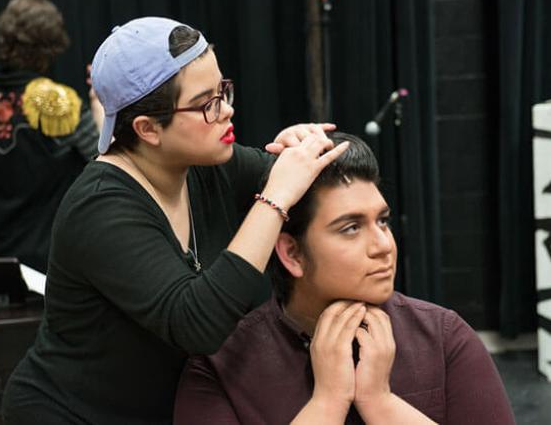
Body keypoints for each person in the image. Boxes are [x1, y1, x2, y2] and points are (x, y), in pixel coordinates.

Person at [1, 16, 348, 424]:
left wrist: (307, 149)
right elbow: (196, 324)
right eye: (207, 103)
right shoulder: (100, 206)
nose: (227, 110)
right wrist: (274, 199)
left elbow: (314, 179)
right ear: (148, 129)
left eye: (224, 90)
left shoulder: (204, 162)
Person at [174, 132, 516, 425]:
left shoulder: (444, 338)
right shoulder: (220, 367)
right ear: (292, 253)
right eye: (351, 228)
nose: (384, 246)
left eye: (382, 221)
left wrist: (382, 403)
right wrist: (328, 403)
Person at [0, 0, 101, 272]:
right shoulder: (58, 103)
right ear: (51, 47)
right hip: (53, 260)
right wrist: (100, 104)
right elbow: (106, 162)